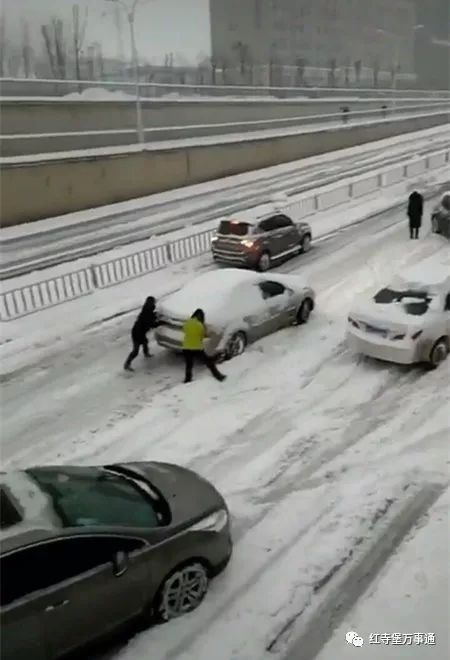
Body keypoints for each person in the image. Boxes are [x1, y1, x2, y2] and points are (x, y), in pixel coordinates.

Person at [182, 309, 226, 383]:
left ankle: (187, 379)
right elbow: (202, 336)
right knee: (208, 362)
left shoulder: (187, 323)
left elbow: (184, 330)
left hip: (186, 347)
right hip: (197, 348)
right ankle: (218, 376)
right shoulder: (200, 325)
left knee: (189, 364)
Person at [124, 296, 159, 371]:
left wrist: (156, 315)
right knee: (135, 351)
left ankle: (146, 353)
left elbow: (151, 316)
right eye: (154, 302)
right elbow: (152, 324)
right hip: (137, 333)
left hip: (138, 331)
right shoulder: (147, 313)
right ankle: (127, 364)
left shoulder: (146, 309)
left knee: (145, 342)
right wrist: (161, 322)